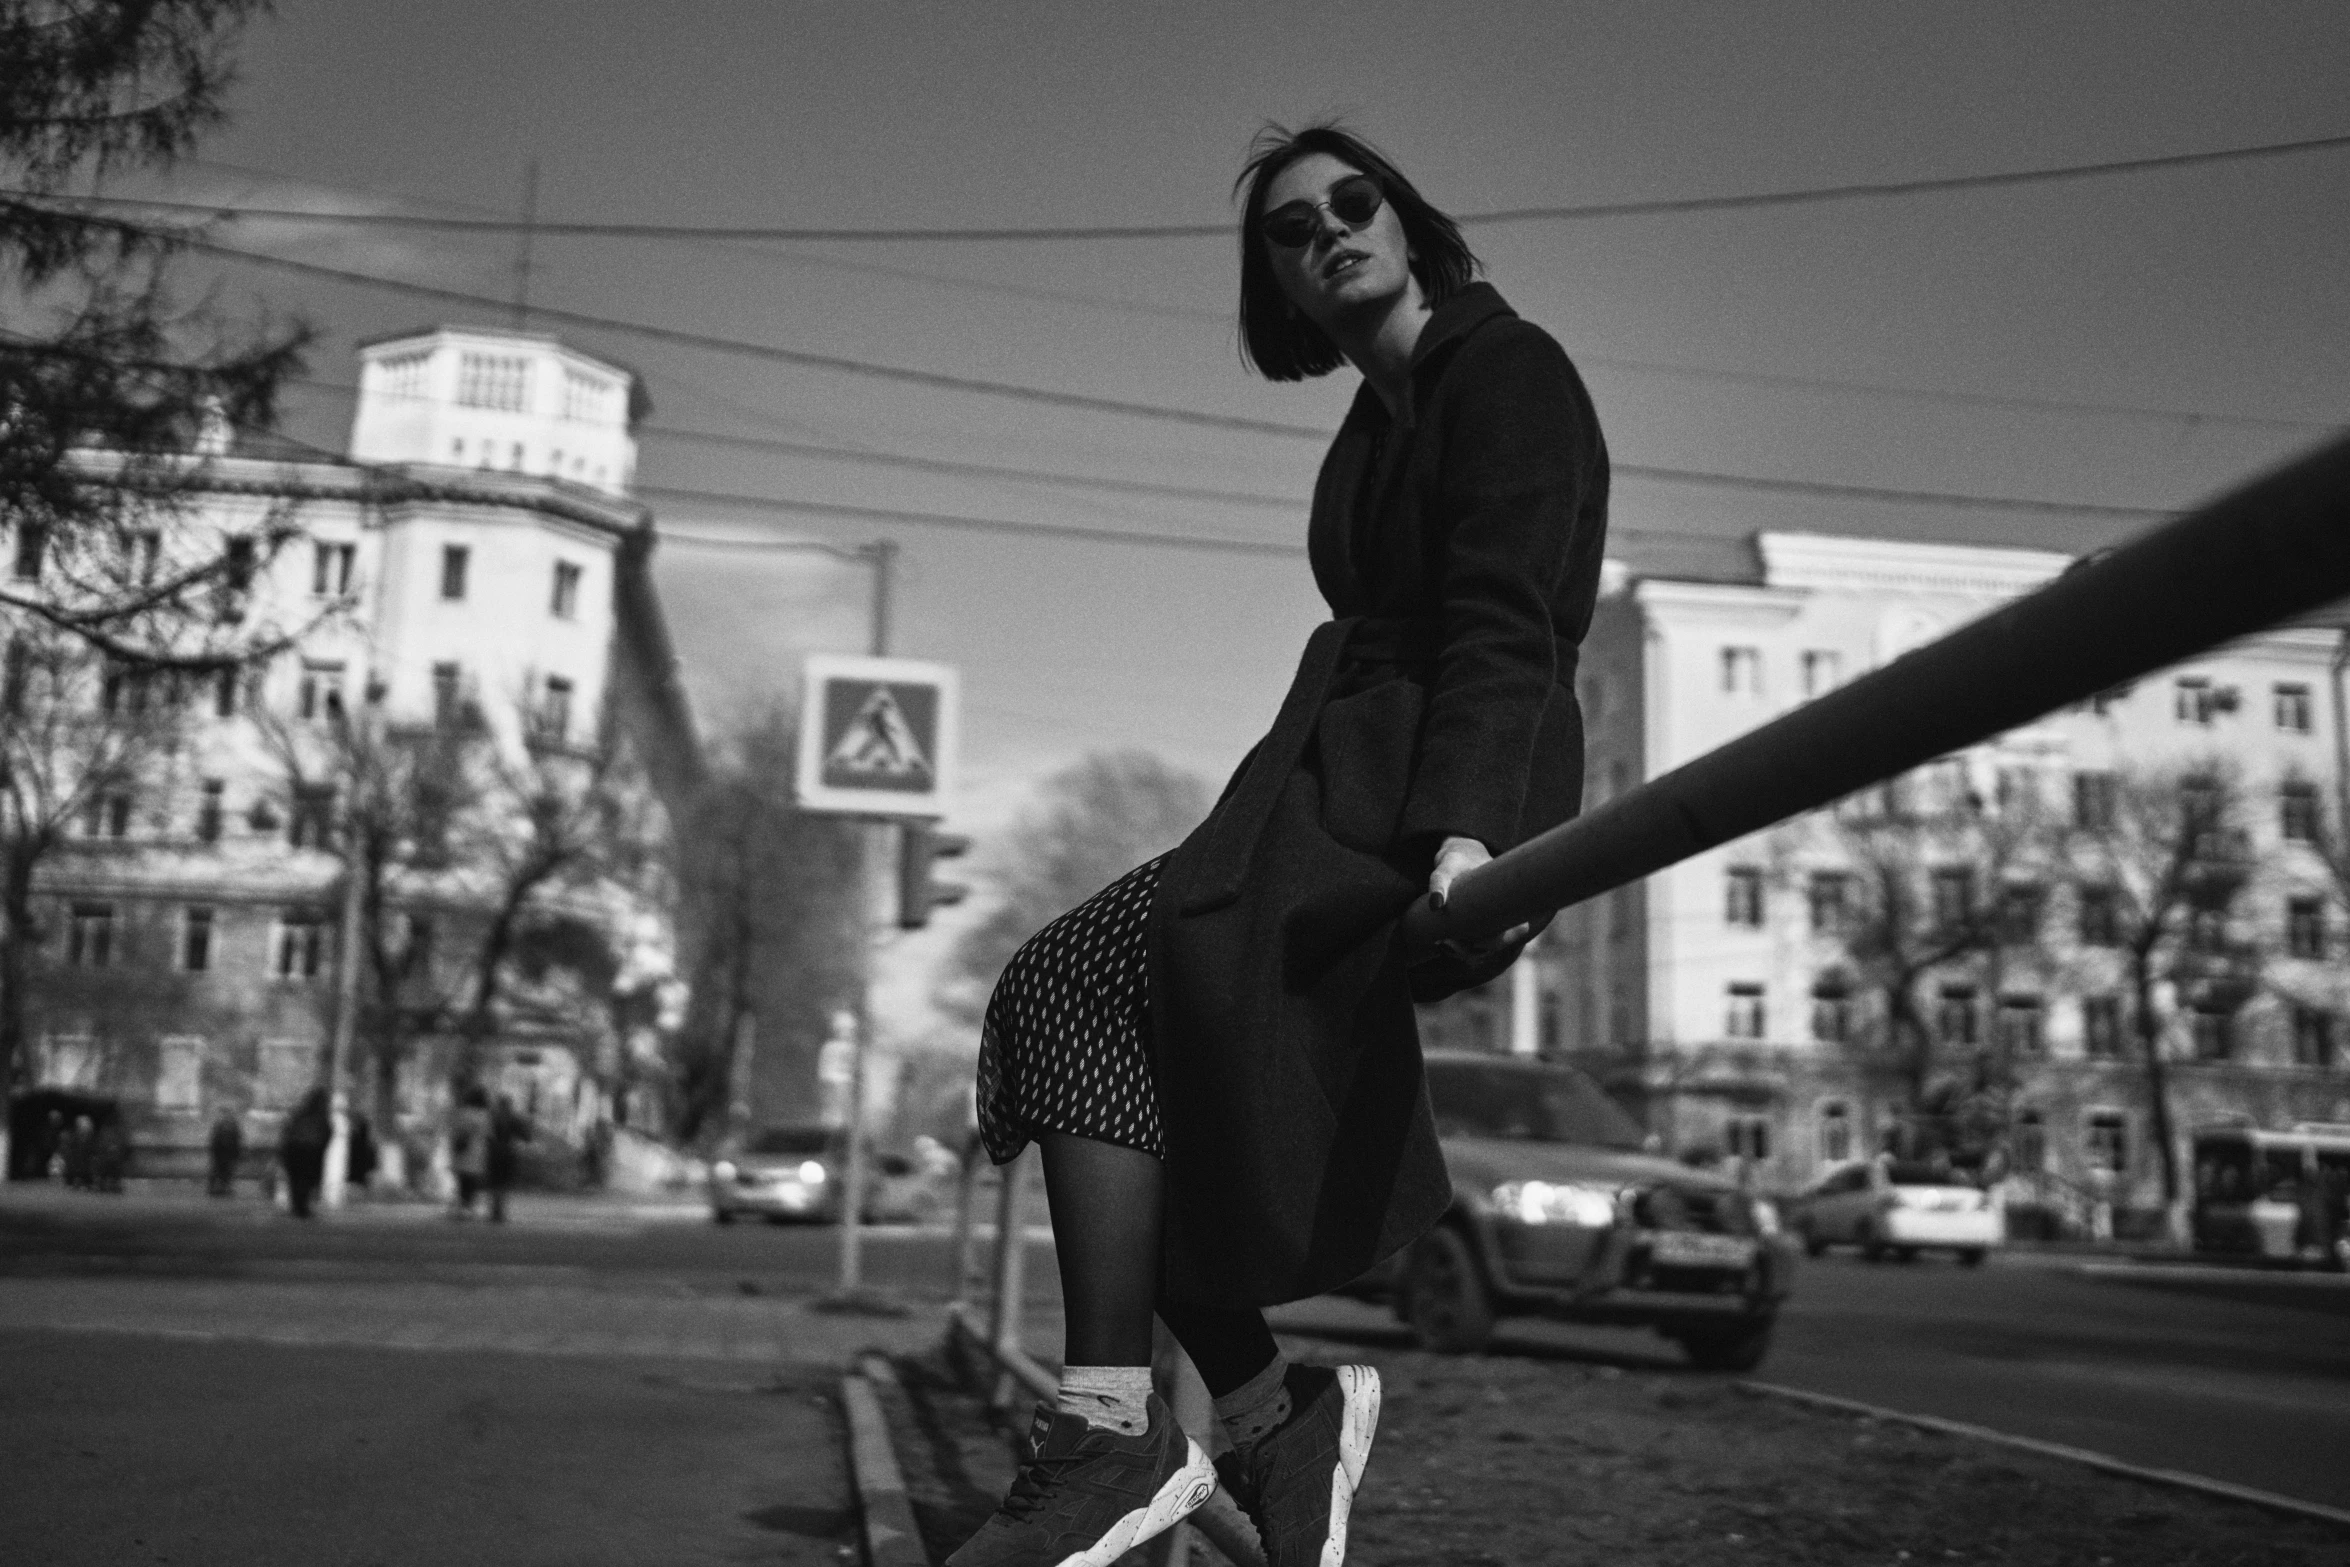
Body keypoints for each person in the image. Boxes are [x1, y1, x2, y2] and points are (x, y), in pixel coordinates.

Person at [952, 122, 1608, 1567]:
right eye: (1292, 229)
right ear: (1279, 288)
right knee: (1123, 1052)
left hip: (1410, 783)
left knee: (1069, 983)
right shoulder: (1377, 417)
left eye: (1352, 203)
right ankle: (1256, 1414)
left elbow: (1509, 619)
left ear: (1410, 221)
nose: (1328, 233)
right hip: (1329, 770)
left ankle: (1129, 1425)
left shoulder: (1506, 370)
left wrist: (1470, 829)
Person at [278, 1088, 332, 1219]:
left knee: (297, 1179)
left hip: (296, 1150)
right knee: (305, 1180)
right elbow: (327, 1133)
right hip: (309, 1151)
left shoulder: (299, 1114)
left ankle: (298, 1206)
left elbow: (287, 1130)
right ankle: (301, 1207)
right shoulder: (320, 1116)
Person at [485, 1093, 531, 1223]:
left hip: (493, 1152)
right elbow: (526, 1136)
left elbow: (485, 1135)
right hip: (508, 1152)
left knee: (494, 1181)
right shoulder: (514, 1118)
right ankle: (499, 1210)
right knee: (503, 1181)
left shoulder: (492, 1117)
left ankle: (494, 1210)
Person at [448, 1086, 491, 1218]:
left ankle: (461, 1207)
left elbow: (458, 1129)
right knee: (472, 1180)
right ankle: (469, 1207)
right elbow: (488, 1133)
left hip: (464, 1149)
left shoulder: (465, 1112)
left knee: (462, 1179)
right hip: (478, 1149)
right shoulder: (485, 1115)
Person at [207, 1110, 244, 1196]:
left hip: (224, 1152)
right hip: (223, 1152)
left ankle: (219, 1188)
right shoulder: (229, 1125)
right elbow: (238, 1138)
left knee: (223, 1171)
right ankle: (219, 1188)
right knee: (221, 1171)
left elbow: (238, 1139)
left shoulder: (224, 1125)